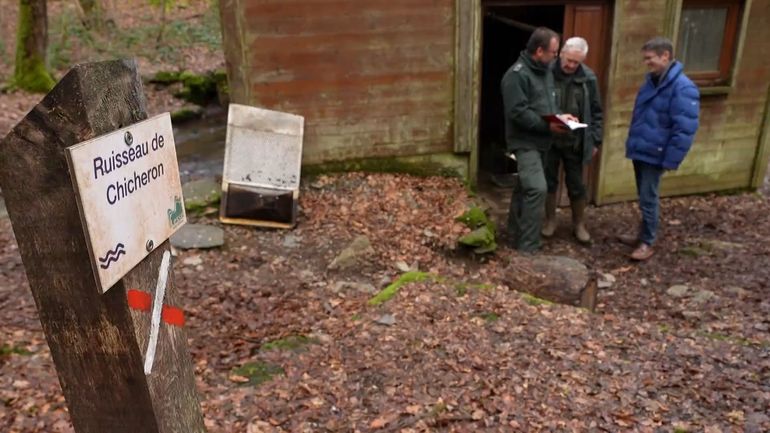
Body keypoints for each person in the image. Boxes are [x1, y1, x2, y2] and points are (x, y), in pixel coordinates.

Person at [619, 37, 700, 260]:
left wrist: (671, 159)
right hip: (642, 149)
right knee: (644, 196)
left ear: (665, 56)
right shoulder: (652, 82)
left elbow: (685, 128)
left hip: (656, 153)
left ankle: (647, 242)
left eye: (650, 58)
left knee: (649, 197)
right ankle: (642, 235)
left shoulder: (682, 87)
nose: (647, 63)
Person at [501, 27, 574, 253]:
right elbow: (518, 112)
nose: (556, 56)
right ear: (539, 51)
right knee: (537, 189)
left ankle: (514, 234)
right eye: (553, 51)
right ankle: (528, 247)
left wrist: (561, 117)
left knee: (524, 188)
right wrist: (547, 124)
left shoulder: (546, 71)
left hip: (543, 140)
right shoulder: (516, 75)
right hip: (525, 143)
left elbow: (546, 105)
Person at [541, 37, 603, 244]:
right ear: (561, 54)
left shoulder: (588, 78)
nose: (571, 65)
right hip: (550, 139)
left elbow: (596, 112)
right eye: (568, 60)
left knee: (576, 184)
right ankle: (550, 220)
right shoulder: (546, 72)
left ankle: (579, 224)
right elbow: (537, 102)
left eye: (576, 62)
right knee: (548, 182)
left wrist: (595, 141)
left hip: (576, 141)